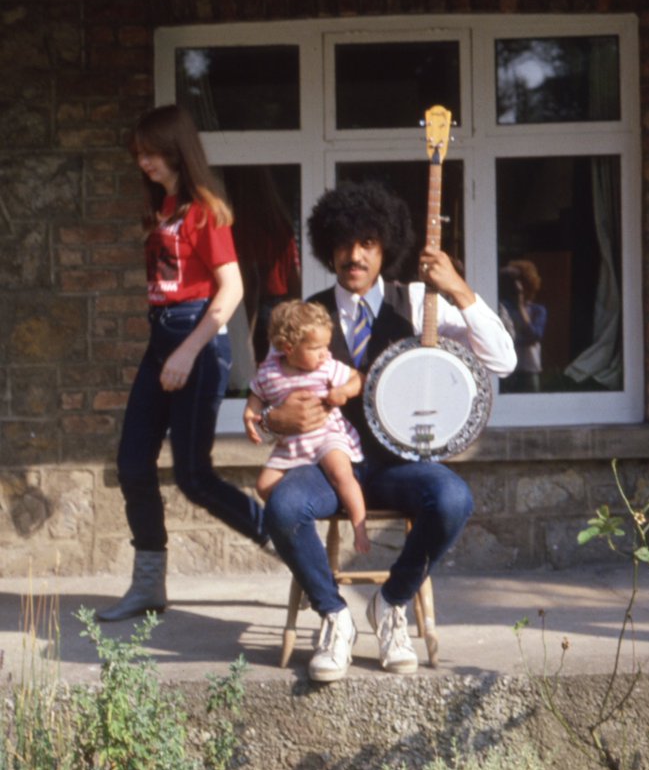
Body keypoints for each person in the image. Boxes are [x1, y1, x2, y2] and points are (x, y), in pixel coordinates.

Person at [243, 180, 517, 683]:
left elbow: (503, 360)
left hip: (399, 467)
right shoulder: (305, 316)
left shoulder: (419, 301)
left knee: (453, 499)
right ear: (329, 248)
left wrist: (457, 287)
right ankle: (334, 616)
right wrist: (268, 419)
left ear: (385, 246)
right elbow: (264, 387)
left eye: (367, 243)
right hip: (323, 464)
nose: (354, 255)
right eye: (344, 244)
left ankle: (391, 604)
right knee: (282, 507)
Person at [98, 105, 267, 622]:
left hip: (196, 338)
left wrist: (188, 350)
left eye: (150, 152)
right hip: (162, 337)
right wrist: (169, 350)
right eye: (139, 155)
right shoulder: (165, 207)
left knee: (194, 476)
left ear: (175, 149)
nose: (143, 162)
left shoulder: (203, 210)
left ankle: (287, 541)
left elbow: (232, 288)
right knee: (132, 465)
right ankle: (148, 584)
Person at [246, 300, 371, 555]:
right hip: (292, 443)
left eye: (326, 346)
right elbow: (256, 392)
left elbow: (359, 379)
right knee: (263, 486)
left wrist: (343, 392)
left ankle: (360, 526)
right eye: (316, 348)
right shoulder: (270, 371)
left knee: (341, 473)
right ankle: (303, 528)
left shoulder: (327, 367)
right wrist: (251, 413)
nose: (325, 352)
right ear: (288, 348)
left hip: (327, 434)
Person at [499, 259, 547, 392]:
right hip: (509, 369)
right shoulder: (504, 309)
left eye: (521, 282)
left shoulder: (538, 310)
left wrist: (520, 306)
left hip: (529, 369)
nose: (517, 286)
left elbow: (534, 336)